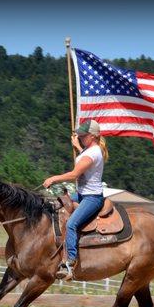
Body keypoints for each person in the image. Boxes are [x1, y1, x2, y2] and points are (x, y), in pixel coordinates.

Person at [43, 119, 108, 281]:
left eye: (83, 135)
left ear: (92, 137)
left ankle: (70, 262)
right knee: (56, 205)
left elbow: (74, 175)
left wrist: (54, 178)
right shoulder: (90, 150)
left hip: (92, 198)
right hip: (81, 194)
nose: (80, 137)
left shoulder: (93, 153)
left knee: (72, 224)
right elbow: (85, 159)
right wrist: (78, 147)